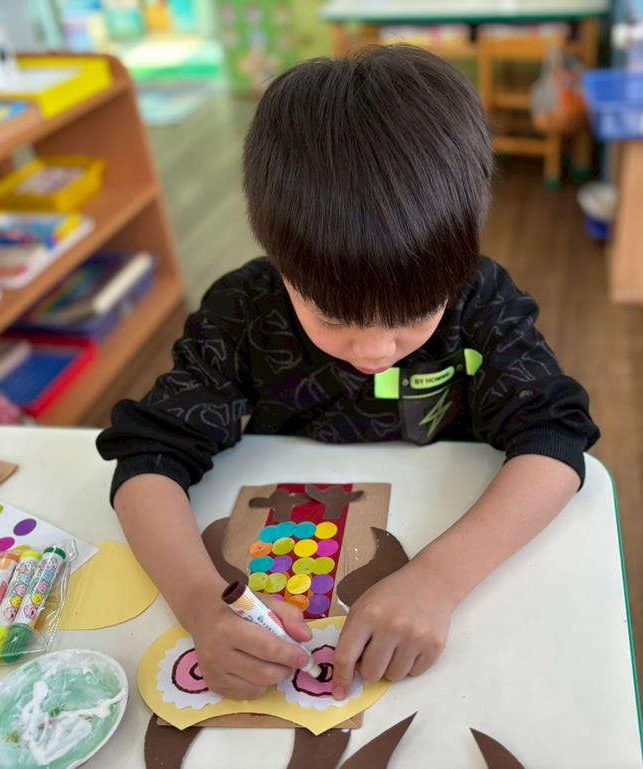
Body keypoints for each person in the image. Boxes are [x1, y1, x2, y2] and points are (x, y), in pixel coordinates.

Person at [97, 45, 599, 702]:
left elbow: (555, 441)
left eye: (414, 314)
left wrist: (439, 579)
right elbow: (148, 459)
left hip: (450, 543)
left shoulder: (481, 301)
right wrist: (199, 602)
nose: (376, 347)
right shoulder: (243, 313)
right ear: (279, 262)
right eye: (333, 316)